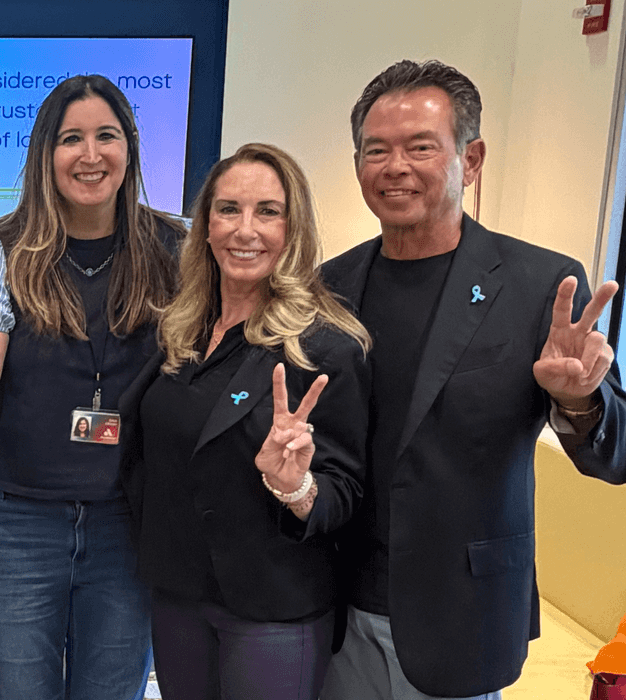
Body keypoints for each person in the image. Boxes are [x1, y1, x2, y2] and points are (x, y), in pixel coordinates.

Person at [320, 59, 626, 700]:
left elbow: (617, 453)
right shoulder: (330, 286)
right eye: (376, 150)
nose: (394, 166)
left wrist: (578, 400)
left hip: (460, 614)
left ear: (472, 157)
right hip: (335, 610)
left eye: (420, 147)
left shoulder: (541, 284)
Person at [0, 74, 184, 700]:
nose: (90, 155)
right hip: (12, 520)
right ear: (44, 155)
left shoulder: (178, 249)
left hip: (127, 523)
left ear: (130, 147)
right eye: (70, 138)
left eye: (106, 136)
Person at [118, 143, 371, 700]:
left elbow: (346, 489)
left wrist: (298, 487)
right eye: (228, 209)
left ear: (293, 228)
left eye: (268, 212)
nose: (245, 229)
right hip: (179, 593)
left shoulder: (325, 345)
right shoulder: (179, 331)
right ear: (205, 225)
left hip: (271, 608)